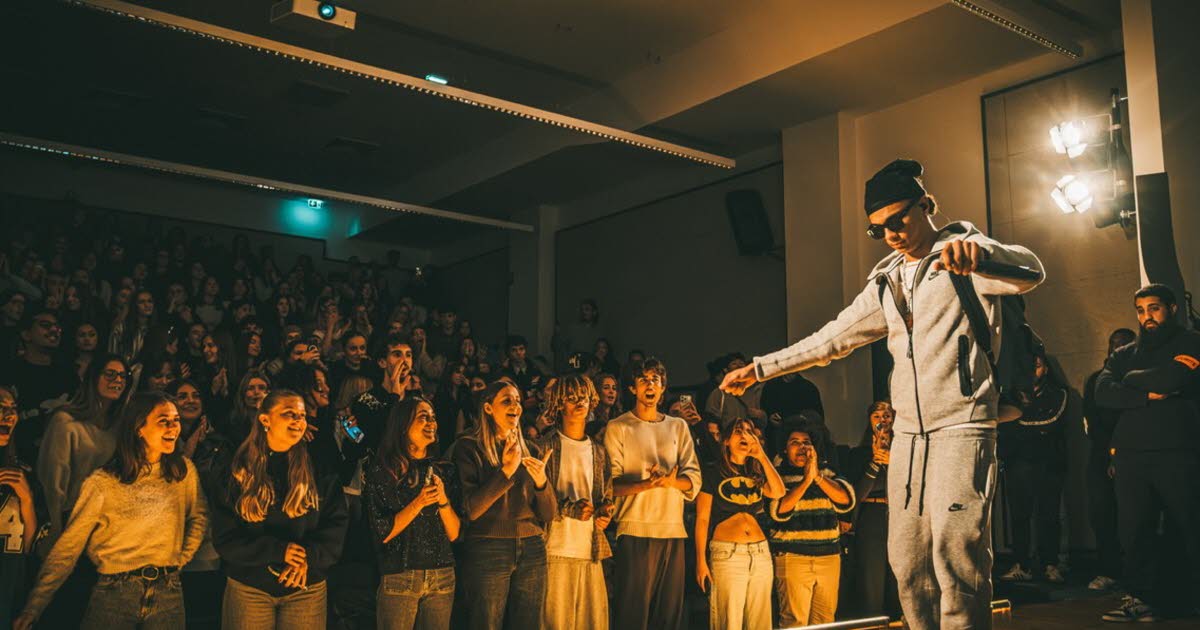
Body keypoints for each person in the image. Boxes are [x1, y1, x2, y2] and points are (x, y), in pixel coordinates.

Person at [721, 158, 1044, 629]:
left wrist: (982, 256)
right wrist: (760, 368)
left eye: (899, 220)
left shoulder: (966, 251)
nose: (891, 234)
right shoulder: (887, 281)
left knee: (958, 558)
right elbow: (831, 340)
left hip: (962, 425)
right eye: (879, 229)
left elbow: (1030, 270)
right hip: (908, 438)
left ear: (926, 205)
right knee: (908, 566)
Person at [15, 391, 208, 630]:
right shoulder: (103, 482)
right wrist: (35, 605)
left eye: (176, 420)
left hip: (168, 592)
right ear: (139, 428)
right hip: (115, 593)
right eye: (163, 421)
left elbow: (199, 517)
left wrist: (180, 558)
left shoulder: (183, 472)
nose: (173, 427)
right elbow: (69, 545)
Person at [1094, 284, 1200, 622]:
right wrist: (1144, 393)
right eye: (1140, 310)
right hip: (1131, 455)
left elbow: (1172, 379)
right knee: (1134, 530)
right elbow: (1102, 392)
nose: (1146, 316)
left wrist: (1130, 382)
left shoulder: (1191, 341)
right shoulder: (1124, 353)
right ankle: (1139, 598)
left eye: (1153, 308)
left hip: (1178, 450)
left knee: (1189, 525)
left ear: (1171, 308)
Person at [211, 389, 349, 629]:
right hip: (250, 586)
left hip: (306, 585)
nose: (298, 421)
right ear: (265, 419)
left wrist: (305, 556)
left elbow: (336, 523)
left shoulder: (319, 464)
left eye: (302, 415)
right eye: (289, 414)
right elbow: (225, 538)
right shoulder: (236, 469)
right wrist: (279, 551)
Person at [604, 357, 701, 630]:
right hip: (635, 530)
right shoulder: (619, 427)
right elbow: (610, 485)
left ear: (663, 387)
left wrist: (671, 481)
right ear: (633, 388)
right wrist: (647, 484)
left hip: (672, 530)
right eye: (643, 379)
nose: (650, 385)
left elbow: (694, 477)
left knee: (669, 616)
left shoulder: (677, 426)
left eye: (655, 380)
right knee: (633, 614)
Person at [453, 381, 556, 630]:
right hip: (488, 546)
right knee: (485, 622)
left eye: (518, 400)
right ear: (488, 408)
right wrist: (507, 471)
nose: (515, 406)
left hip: (532, 546)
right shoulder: (468, 447)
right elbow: (471, 509)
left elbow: (550, 513)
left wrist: (542, 482)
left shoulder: (530, 449)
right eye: (507, 400)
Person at [364, 396, 461, 630]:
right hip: (400, 573)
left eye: (433, 418)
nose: (431, 423)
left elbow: (455, 534)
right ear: (403, 426)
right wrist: (418, 502)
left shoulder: (443, 470)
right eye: (423, 418)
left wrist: (443, 500)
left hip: (442, 575)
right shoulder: (383, 472)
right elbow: (383, 532)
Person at [537, 374, 614, 630]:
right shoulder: (545, 446)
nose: (579, 403)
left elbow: (606, 496)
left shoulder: (599, 450)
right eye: (571, 398)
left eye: (583, 397)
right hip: (554, 549)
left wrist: (604, 513)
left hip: (590, 550)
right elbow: (534, 498)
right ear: (559, 404)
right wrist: (570, 508)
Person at [694, 418, 785, 630]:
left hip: (760, 552)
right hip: (728, 553)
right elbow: (702, 518)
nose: (744, 435)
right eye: (738, 431)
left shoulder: (756, 472)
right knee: (729, 621)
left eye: (748, 431)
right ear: (726, 441)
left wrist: (761, 455)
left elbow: (779, 492)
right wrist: (701, 560)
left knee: (760, 621)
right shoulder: (713, 471)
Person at [768, 418, 855, 626]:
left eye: (806, 442)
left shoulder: (828, 473)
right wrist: (806, 481)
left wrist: (816, 477)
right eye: (794, 442)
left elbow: (846, 500)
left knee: (825, 620)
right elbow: (778, 511)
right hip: (792, 557)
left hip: (829, 557)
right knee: (794, 621)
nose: (802, 447)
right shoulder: (777, 476)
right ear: (784, 449)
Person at [998, 352, 1070, 584]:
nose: (1033, 370)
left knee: (1048, 514)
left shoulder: (1059, 394)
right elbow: (1003, 425)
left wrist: (1019, 421)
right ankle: (1022, 563)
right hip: (1018, 464)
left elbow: (1049, 422)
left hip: (1050, 465)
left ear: (1046, 369)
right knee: (1019, 515)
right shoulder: (1010, 395)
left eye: (1037, 366)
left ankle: (1050, 563)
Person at [1081, 328, 1135, 592]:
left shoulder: (1137, 379)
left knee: (1134, 515)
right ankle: (1109, 568)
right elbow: (1093, 420)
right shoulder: (1096, 380)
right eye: (1114, 344)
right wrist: (1110, 454)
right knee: (1102, 513)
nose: (1117, 349)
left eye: (1123, 345)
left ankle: (1134, 571)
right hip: (1102, 454)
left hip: (1132, 453)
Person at [844, 401, 900, 619]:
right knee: (872, 583)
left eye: (887, 415)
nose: (882, 420)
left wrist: (893, 461)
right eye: (877, 416)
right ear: (870, 421)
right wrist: (875, 462)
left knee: (899, 581)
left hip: (899, 516)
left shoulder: (905, 452)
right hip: (872, 518)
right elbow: (858, 495)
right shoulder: (858, 454)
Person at [1, 309, 79, 465]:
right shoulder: (9, 371)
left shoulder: (68, 373)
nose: (54, 330)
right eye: (45, 325)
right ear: (26, 334)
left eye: (57, 327)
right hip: (21, 459)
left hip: (60, 459)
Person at [0, 385, 49, 629]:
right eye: (0, 408)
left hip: (11, 588)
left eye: (12, 409)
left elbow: (28, 547)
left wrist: (27, 499)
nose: (8, 415)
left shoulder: (22, 469)